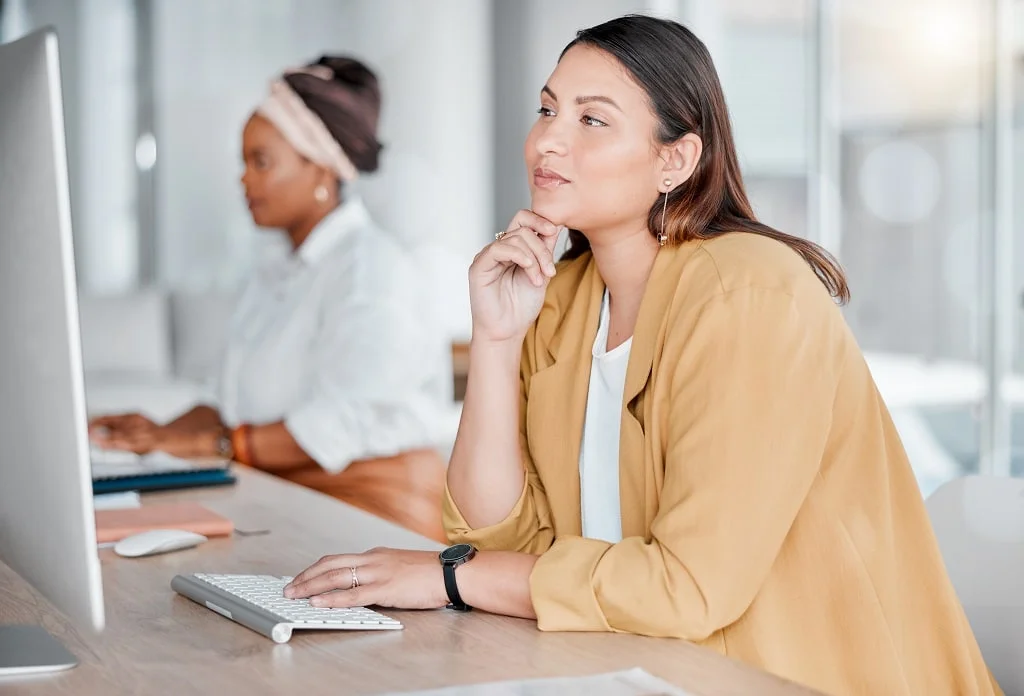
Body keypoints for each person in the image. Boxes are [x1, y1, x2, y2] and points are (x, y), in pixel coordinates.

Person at [280, 17, 1001, 696]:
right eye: (547, 110)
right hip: (628, 667)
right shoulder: (561, 299)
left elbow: (687, 588)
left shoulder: (748, 295)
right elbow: (493, 538)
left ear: (676, 159)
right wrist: (497, 342)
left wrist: (448, 580)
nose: (546, 143)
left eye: (591, 120)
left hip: (791, 676)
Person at [89, 57, 451, 542]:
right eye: (243, 162)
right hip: (285, 492)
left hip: (373, 512)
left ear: (321, 169)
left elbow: (335, 425)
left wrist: (214, 445)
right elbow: (229, 404)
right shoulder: (277, 270)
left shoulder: (373, 272)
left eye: (260, 162)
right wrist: (153, 434)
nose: (243, 180)